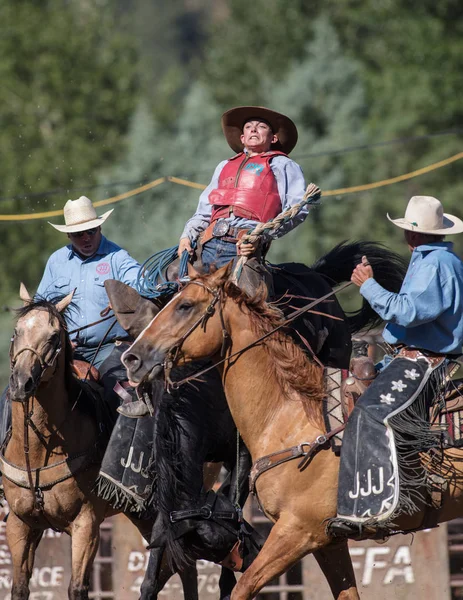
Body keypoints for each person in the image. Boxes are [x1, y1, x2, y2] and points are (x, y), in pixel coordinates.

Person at [329, 195, 463, 538]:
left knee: (372, 413)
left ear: (412, 235)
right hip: (413, 355)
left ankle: (374, 507)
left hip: (424, 360)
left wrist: (368, 285)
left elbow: (406, 312)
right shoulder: (434, 260)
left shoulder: (435, 265)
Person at [178, 106, 311, 275]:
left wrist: (261, 237)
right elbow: (204, 211)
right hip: (208, 244)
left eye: (261, 126)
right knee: (174, 287)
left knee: (247, 298)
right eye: (248, 127)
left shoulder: (282, 164)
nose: (254, 129)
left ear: (274, 138)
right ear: (242, 137)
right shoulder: (224, 166)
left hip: (246, 248)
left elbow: (297, 209)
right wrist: (186, 237)